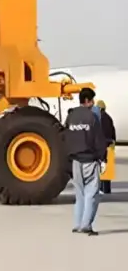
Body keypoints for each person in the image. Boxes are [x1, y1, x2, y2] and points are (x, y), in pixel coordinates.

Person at [65, 87, 107, 236]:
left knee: (80, 194)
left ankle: (77, 224)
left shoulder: (71, 117)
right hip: (89, 159)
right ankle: (86, 225)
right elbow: (98, 139)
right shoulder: (92, 117)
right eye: (92, 100)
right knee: (92, 194)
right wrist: (103, 158)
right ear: (88, 100)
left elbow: (65, 136)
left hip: (75, 161)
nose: (93, 103)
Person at [95, 100, 116, 194]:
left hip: (102, 145)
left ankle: (100, 189)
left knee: (100, 167)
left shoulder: (98, 118)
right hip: (110, 145)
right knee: (107, 168)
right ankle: (107, 189)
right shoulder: (109, 118)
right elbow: (113, 131)